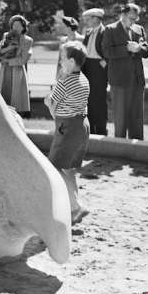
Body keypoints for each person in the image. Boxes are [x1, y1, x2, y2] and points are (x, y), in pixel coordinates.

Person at [44, 41, 90, 225]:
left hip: (68, 128)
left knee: (55, 167)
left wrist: (48, 103)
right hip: (82, 126)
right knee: (69, 169)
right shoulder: (84, 79)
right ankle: (74, 208)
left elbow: (53, 109)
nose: (60, 62)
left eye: (62, 59)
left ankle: (76, 206)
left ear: (71, 61)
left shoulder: (64, 82)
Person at [101, 3, 148, 139]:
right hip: (119, 80)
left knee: (137, 117)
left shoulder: (139, 29)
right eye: (131, 18)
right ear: (122, 15)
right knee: (121, 119)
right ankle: (119, 149)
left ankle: (137, 148)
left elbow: (147, 51)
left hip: (137, 80)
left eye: (135, 19)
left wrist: (140, 49)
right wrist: (126, 49)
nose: (133, 22)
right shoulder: (110, 29)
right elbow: (106, 51)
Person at [0, 15, 33, 116]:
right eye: (13, 25)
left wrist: (8, 61)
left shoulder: (28, 40)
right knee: (3, 94)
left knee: (15, 97)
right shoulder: (6, 35)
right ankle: (3, 116)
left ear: (23, 27)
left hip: (17, 71)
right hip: (4, 70)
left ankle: (15, 118)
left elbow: (23, 59)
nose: (15, 28)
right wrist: (5, 49)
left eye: (18, 25)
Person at [81, 8, 108, 135]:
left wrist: (104, 64)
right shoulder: (88, 32)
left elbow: (108, 51)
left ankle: (101, 130)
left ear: (96, 18)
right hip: (88, 66)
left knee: (100, 99)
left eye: (88, 19)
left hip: (99, 67)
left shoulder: (106, 31)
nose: (86, 21)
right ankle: (90, 129)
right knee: (89, 99)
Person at [53, 14, 83, 78]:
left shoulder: (81, 39)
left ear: (69, 27)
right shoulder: (63, 40)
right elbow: (60, 59)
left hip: (78, 74)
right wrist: (57, 74)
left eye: (63, 26)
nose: (61, 27)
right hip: (64, 73)